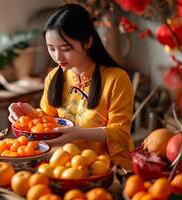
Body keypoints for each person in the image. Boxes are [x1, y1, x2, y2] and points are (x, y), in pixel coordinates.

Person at [8, 4, 134, 169]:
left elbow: (120, 133)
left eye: (65, 48)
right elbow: (48, 120)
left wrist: (79, 133)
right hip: (65, 164)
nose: (57, 57)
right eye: (51, 48)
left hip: (107, 167)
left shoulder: (116, 79)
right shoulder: (54, 76)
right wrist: (29, 114)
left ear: (88, 41)